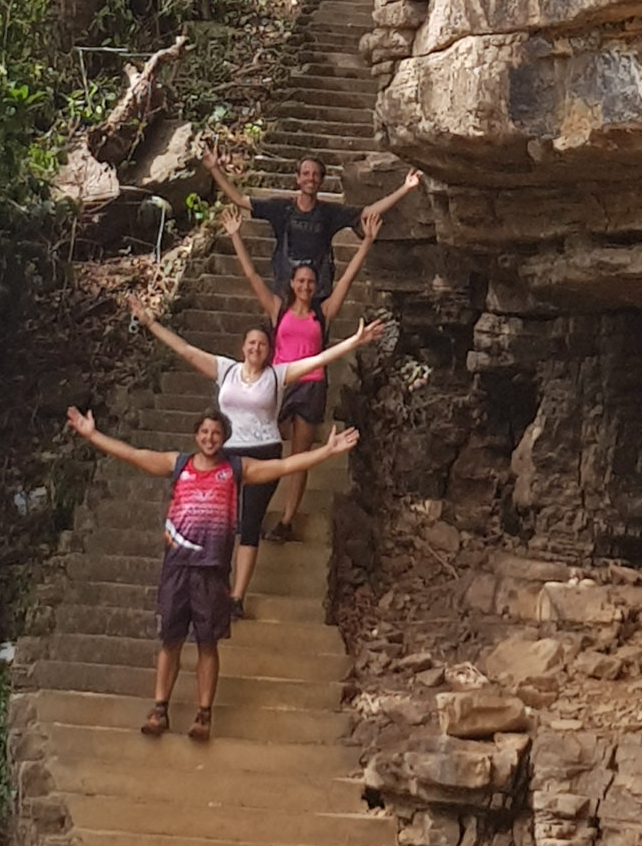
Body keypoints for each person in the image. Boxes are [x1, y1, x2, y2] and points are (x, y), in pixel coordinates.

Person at [64, 402, 357, 741]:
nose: (209, 438)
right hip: (176, 567)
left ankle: (204, 714)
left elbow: (284, 465)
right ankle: (159, 709)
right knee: (170, 640)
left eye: (216, 433)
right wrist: (93, 435)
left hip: (212, 571)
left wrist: (326, 452)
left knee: (207, 643)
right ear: (196, 436)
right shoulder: (178, 464)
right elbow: (133, 454)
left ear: (224, 438)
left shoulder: (236, 468)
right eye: (204, 432)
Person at [124, 291, 388, 613]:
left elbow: (318, 360)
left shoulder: (277, 375)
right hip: (226, 454)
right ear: (243, 347)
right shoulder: (226, 370)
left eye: (262, 344)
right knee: (221, 522)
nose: (256, 348)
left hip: (263, 452)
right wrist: (149, 322)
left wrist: (354, 342)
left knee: (249, 523)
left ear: (269, 350)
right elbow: (186, 350)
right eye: (251, 343)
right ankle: (214, 584)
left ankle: (236, 597)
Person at [228, 208, 391, 542]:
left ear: (316, 286)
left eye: (310, 282)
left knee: (299, 456)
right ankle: (247, 511)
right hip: (278, 383)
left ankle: (287, 520)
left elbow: (347, 279)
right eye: (300, 281)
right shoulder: (278, 309)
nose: (305, 285)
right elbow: (251, 276)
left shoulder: (323, 311)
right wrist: (234, 235)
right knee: (263, 443)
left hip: (311, 386)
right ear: (291, 283)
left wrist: (367, 241)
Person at [201, 147, 423, 305]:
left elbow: (368, 212)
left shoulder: (329, 213)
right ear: (298, 179)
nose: (311, 178)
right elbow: (239, 200)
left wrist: (405, 188)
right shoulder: (281, 208)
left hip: (318, 291)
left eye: (316, 175)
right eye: (306, 174)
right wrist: (214, 169)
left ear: (321, 181)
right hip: (285, 288)